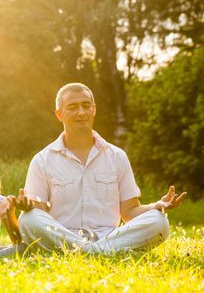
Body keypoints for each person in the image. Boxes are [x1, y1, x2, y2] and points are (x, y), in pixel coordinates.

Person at [17, 83, 187, 254]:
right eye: (73, 107)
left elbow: (129, 212)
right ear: (59, 114)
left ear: (94, 110)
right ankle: (100, 252)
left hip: (109, 237)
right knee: (28, 219)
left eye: (86, 106)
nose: (81, 113)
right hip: (65, 237)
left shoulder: (117, 156)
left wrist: (156, 206)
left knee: (159, 220)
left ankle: (86, 252)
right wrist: (29, 207)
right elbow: (40, 215)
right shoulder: (42, 160)